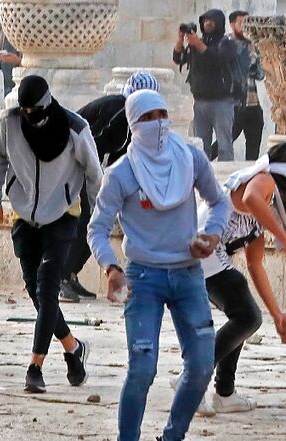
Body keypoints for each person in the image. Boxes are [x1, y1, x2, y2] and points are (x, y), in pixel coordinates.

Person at [87, 90, 230, 441]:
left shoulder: (191, 158)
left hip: (188, 275)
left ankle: (173, 435)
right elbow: (97, 228)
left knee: (200, 366)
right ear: (134, 124)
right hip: (143, 279)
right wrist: (111, 267)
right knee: (142, 368)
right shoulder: (121, 173)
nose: (158, 124)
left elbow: (219, 202)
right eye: (148, 118)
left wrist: (211, 235)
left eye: (162, 115)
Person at [0, 75, 102, 393]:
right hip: (25, 214)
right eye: (24, 109)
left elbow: (94, 173)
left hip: (63, 215)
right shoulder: (9, 124)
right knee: (35, 290)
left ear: (47, 104)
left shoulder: (75, 128)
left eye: (34, 109)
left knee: (48, 285)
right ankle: (73, 347)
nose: (29, 115)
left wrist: (100, 218)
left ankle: (35, 366)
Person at [190, 143, 286, 415]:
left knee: (243, 317)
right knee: (247, 315)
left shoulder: (260, 219)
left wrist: (277, 315)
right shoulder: (260, 180)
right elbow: (253, 198)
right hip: (200, 247)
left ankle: (224, 392)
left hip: (209, 259)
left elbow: (256, 265)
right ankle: (193, 381)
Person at [62, 71, 161, 302]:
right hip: (71, 164)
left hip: (88, 168)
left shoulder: (133, 121)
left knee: (98, 221)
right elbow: (87, 143)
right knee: (87, 219)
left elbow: (119, 156)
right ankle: (59, 278)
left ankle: (70, 274)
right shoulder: (118, 108)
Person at [173, 9, 237, 161]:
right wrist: (180, 40)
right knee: (200, 147)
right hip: (200, 102)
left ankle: (226, 178)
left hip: (221, 102)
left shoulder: (226, 43)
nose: (208, 23)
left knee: (224, 146)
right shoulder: (197, 44)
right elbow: (179, 58)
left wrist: (198, 44)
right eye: (205, 20)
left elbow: (217, 60)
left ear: (219, 23)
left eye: (212, 20)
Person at [227, 10, 265, 161]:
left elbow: (261, 75)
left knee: (253, 149)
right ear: (232, 24)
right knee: (225, 142)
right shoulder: (227, 45)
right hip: (235, 103)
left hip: (253, 102)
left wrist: (255, 68)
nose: (244, 27)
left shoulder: (253, 46)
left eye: (246, 23)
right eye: (241, 23)